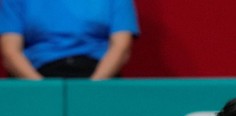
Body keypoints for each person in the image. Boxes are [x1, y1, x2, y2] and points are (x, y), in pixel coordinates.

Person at [0, 0, 139, 79]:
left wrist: (94, 88)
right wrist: (41, 90)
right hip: (35, 74)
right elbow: (10, 52)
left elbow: (121, 47)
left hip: (99, 73)